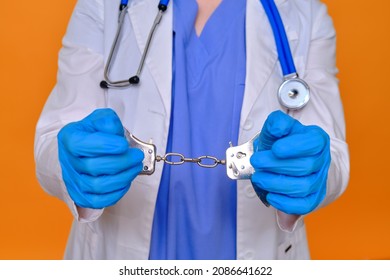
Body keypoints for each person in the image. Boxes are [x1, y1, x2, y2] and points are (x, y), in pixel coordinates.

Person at [34, 0, 349, 260]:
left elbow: (333, 155)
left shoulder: (304, 12)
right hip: (121, 253)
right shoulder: (103, 5)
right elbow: (53, 138)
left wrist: (316, 171)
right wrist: (69, 164)